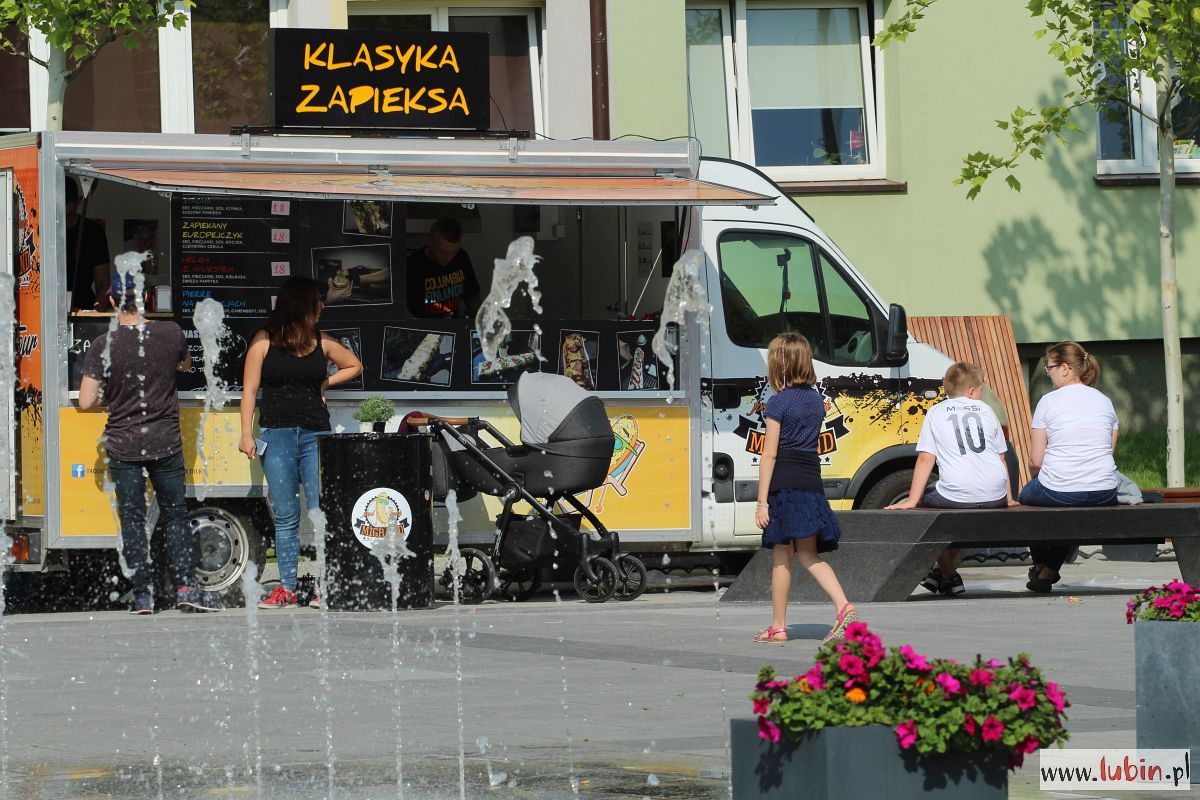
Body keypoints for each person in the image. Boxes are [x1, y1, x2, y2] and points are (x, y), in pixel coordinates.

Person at [78, 272, 211, 614]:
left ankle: (143, 596)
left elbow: (86, 401)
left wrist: (113, 396)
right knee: (175, 514)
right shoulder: (171, 332)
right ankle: (186, 588)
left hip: (123, 443)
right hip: (166, 441)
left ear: (112, 301)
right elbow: (186, 365)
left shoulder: (102, 345)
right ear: (146, 299)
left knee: (133, 519)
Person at [239, 277, 362, 609]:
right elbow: (249, 390)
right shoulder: (264, 340)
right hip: (276, 434)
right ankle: (287, 589)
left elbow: (354, 365)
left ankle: (327, 586)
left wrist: (324, 382)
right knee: (286, 515)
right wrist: (246, 434)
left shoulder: (321, 340)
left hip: (315, 435)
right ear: (302, 304)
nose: (322, 306)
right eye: (317, 301)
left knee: (322, 511)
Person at [754, 332, 858, 644]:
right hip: (811, 483)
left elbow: (769, 454)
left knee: (782, 555)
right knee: (809, 554)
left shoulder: (778, 402)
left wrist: (761, 502)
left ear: (781, 365)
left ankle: (779, 626)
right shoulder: (815, 401)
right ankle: (843, 605)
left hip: (784, 486)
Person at [886, 362, 1018, 595]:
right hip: (995, 496)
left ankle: (948, 573)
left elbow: (926, 459)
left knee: (931, 503)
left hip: (955, 495)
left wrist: (912, 500)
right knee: (963, 516)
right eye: (981, 389)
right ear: (971, 391)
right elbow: (1001, 458)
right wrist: (1007, 498)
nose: (981, 394)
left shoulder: (936, 412)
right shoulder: (987, 410)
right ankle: (942, 574)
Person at [1020, 341, 1119, 593]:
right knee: (1074, 507)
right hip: (1105, 491)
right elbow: (1108, 451)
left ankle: (1041, 564)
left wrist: (1042, 479)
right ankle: (1049, 570)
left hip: (1061, 488)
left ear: (1065, 368)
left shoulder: (1048, 401)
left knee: (1028, 499)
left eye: (1049, 367)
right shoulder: (1105, 401)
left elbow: (1035, 461)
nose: (1048, 373)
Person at [405, 218, 481, 318]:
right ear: (430, 241)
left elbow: (473, 297)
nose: (449, 259)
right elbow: (401, 307)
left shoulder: (461, 257)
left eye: (453, 253)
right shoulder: (413, 265)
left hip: (453, 322)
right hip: (422, 323)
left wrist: (483, 320)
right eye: (443, 252)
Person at [65, 177, 111, 310]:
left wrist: (96, 314)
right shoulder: (43, 230)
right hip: (48, 307)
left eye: (69, 216)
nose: (65, 221)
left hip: (85, 306)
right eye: (60, 215)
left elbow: (103, 283)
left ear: (79, 201)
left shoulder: (93, 231)